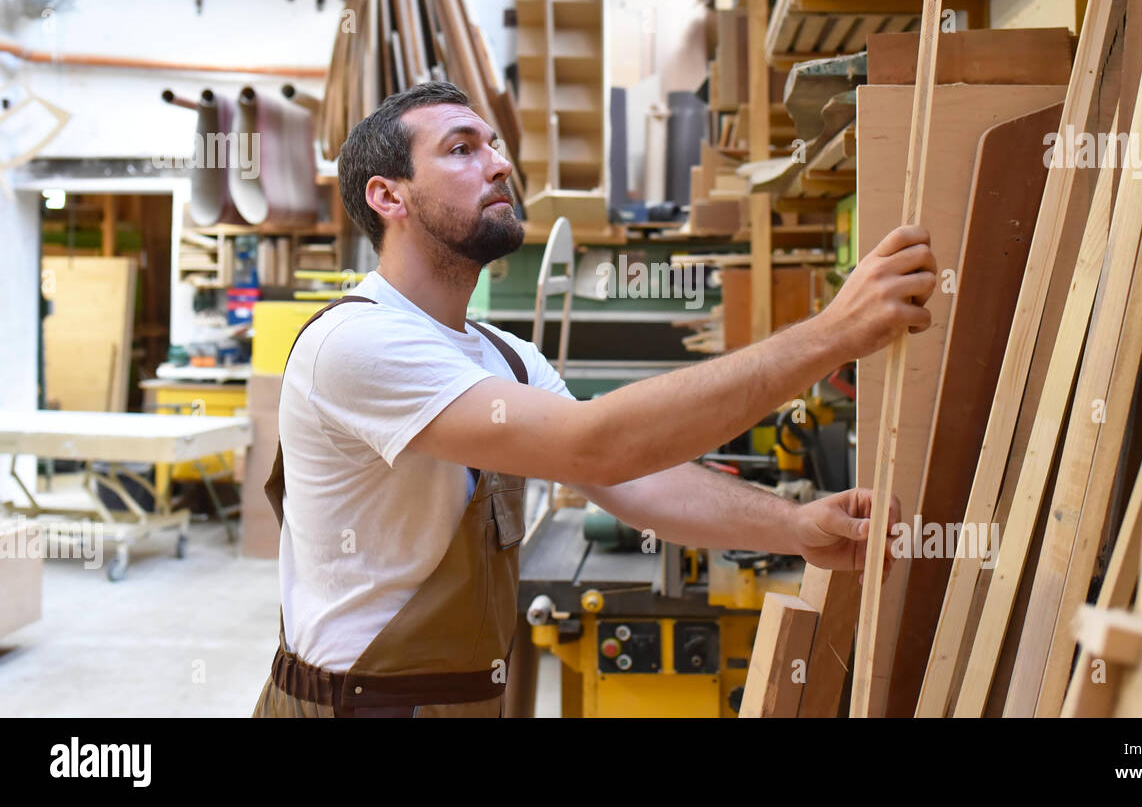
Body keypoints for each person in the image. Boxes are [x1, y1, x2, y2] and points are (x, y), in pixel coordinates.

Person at [252, 81, 938, 717]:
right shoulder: (356, 341)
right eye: (462, 148)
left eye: (494, 146)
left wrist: (794, 525)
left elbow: (631, 477)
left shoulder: (507, 357)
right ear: (388, 196)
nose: (498, 166)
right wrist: (831, 335)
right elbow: (595, 443)